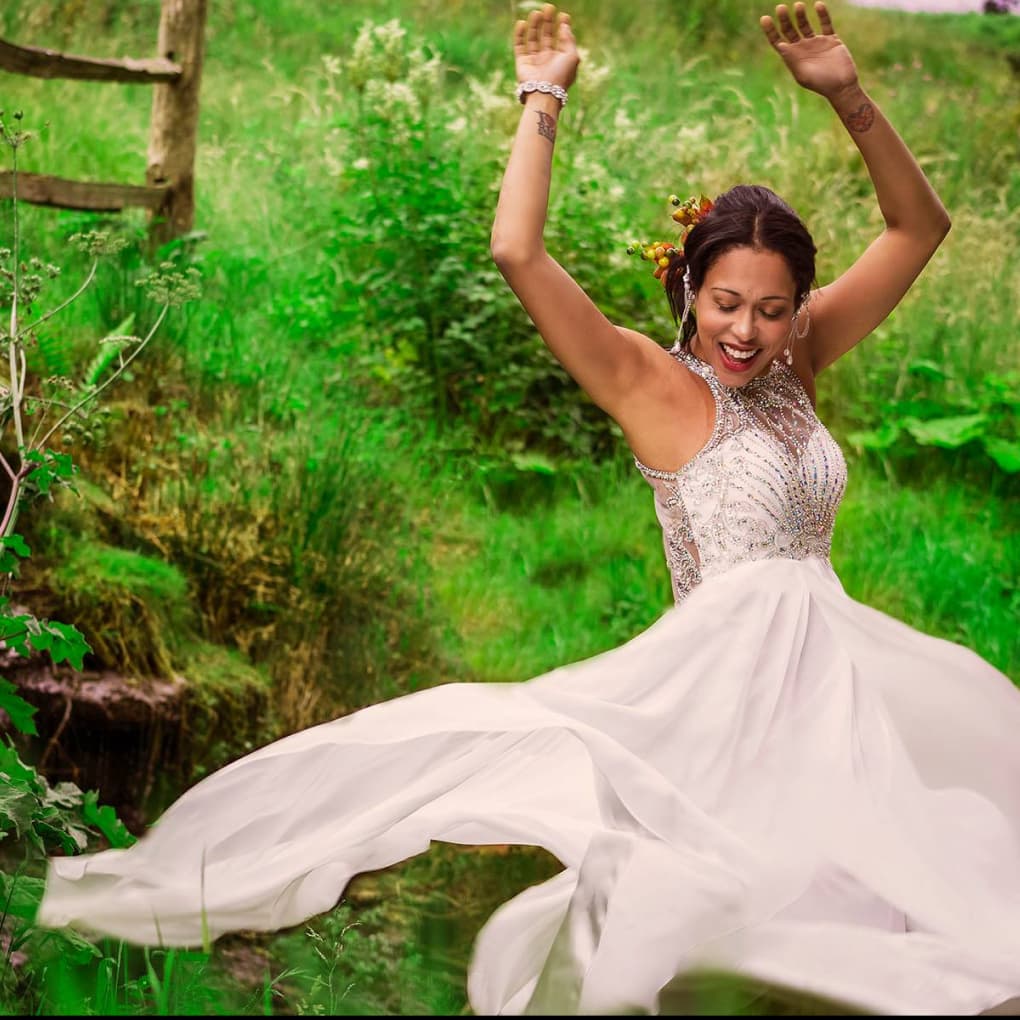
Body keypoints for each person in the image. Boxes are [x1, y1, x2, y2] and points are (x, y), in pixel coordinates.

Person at [37, 2, 1020, 1015]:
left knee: (891, 939)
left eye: (773, 309)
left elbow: (921, 226)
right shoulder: (648, 383)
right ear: (689, 290)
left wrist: (847, 94)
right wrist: (543, 95)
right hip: (722, 707)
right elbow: (518, 253)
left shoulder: (799, 361)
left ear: (798, 307)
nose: (748, 329)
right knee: (709, 942)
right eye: (726, 302)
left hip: (837, 698)